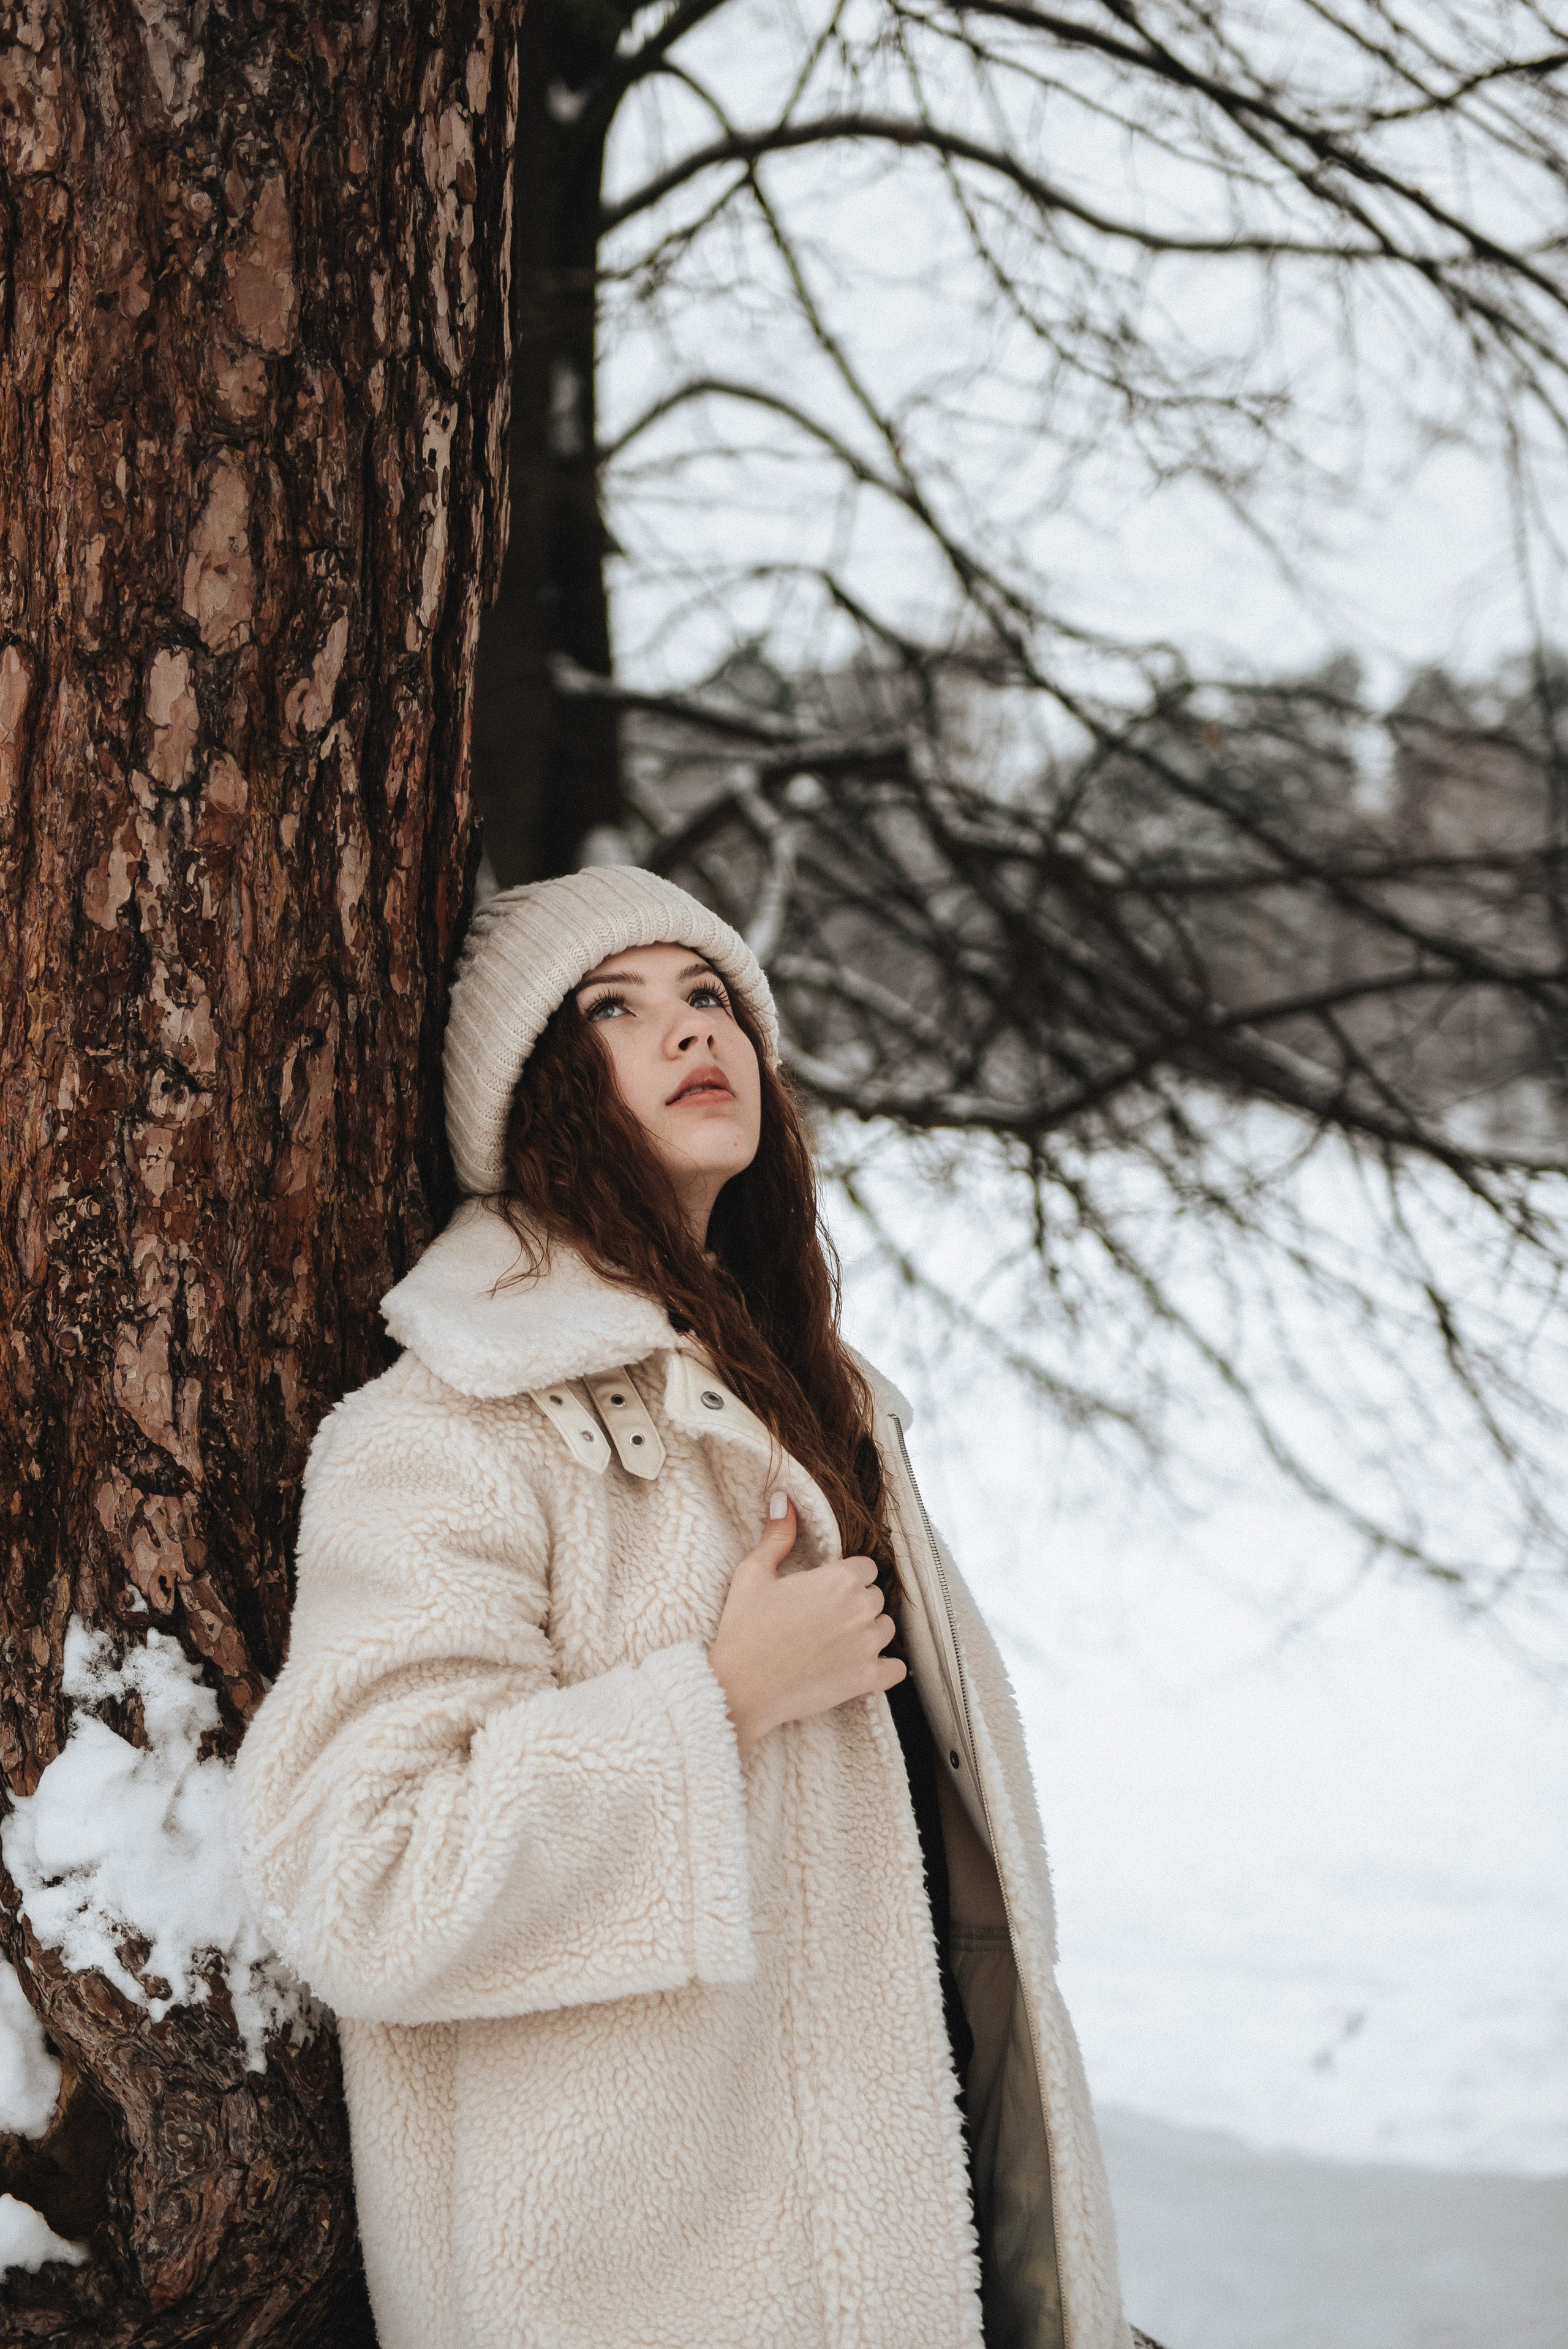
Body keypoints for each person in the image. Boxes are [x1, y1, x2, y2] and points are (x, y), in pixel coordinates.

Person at [235, 867, 1129, 2349]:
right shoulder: (450, 1429)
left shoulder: (816, 1406)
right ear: (533, 1091)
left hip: (902, 2239)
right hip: (634, 2292)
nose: (686, 1030)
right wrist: (711, 1704)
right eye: (614, 1007)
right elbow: (361, 1874)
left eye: (707, 995)